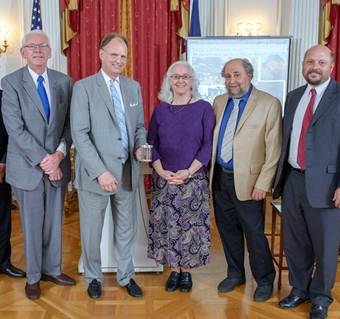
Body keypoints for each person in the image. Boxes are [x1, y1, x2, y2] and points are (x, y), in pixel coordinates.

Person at [273, 45, 340, 319]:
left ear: (331, 66)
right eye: (310, 61)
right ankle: (299, 289)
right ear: (303, 65)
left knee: (325, 247)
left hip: (330, 187)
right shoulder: (293, 97)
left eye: (321, 62)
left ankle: (321, 297)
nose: (315, 67)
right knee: (295, 243)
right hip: (293, 181)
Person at [71, 32, 147, 299]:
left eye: (123, 56)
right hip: (95, 175)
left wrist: (139, 146)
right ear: (101, 54)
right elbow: (79, 134)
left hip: (127, 172)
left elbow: (139, 126)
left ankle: (126, 276)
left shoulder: (133, 87)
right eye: (114, 55)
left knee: (126, 230)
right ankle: (93, 277)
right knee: (91, 232)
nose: (119, 60)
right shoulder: (83, 87)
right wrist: (101, 172)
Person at [1, 30, 75, 300]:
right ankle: (33, 276)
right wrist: (45, 160)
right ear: (22, 52)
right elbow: (15, 129)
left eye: (43, 46)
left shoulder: (64, 82)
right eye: (31, 46)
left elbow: (69, 125)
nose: (38, 50)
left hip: (57, 165)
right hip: (27, 168)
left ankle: (52, 269)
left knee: (54, 223)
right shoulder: (10, 83)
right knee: (32, 224)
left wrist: (58, 155)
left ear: (50, 50)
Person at [209, 58, 282, 301]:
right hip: (220, 178)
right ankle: (235, 274)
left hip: (251, 184)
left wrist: (263, 183)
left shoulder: (269, 103)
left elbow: (274, 149)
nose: (231, 81)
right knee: (227, 230)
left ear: (249, 75)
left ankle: (264, 279)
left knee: (254, 233)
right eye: (227, 76)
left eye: (237, 75)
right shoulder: (219, 102)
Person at [147, 61, 215, 293]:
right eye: (175, 76)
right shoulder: (161, 109)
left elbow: (207, 146)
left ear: (192, 81)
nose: (180, 80)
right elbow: (151, 143)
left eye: (185, 77)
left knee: (189, 228)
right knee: (168, 227)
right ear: (169, 80)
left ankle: (186, 273)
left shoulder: (204, 108)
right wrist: (159, 170)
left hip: (192, 179)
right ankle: (173, 271)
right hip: (164, 178)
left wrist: (188, 171)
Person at [0, 89, 26, 279]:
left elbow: (13, 132)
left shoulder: (5, 96)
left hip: (0, 169)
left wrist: (3, 162)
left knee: (2, 218)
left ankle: (3, 262)